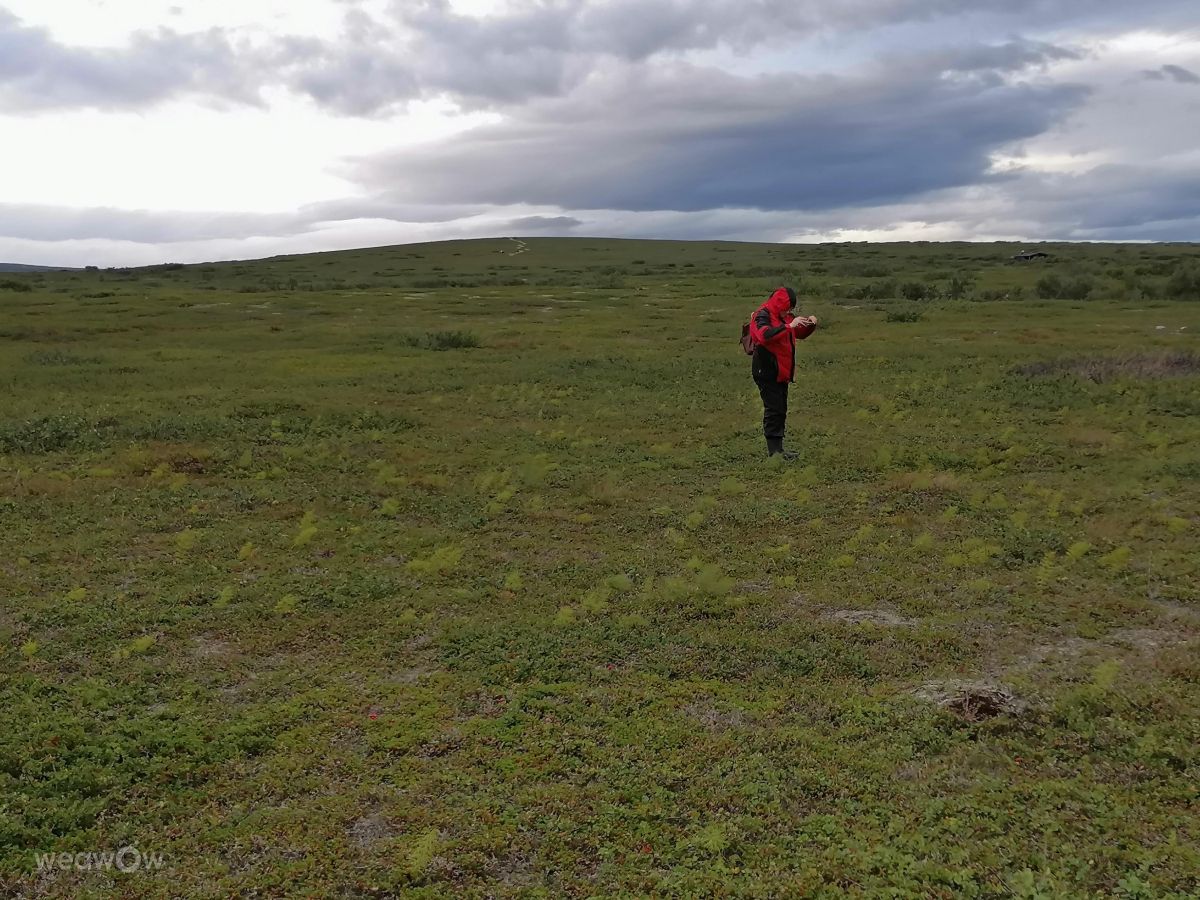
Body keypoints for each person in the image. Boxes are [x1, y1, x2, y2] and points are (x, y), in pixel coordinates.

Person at [748, 286, 817, 458]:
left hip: (780, 371)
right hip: (766, 370)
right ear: (782, 303)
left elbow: (797, 332)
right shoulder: (762, 315)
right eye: (788, 307)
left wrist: (810, 324)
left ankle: (778, 450)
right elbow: (764, 335)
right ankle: (774, 452)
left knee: (780, 409)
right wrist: (788, 326)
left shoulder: (783, 316)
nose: (789, 311)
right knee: (773, 409)